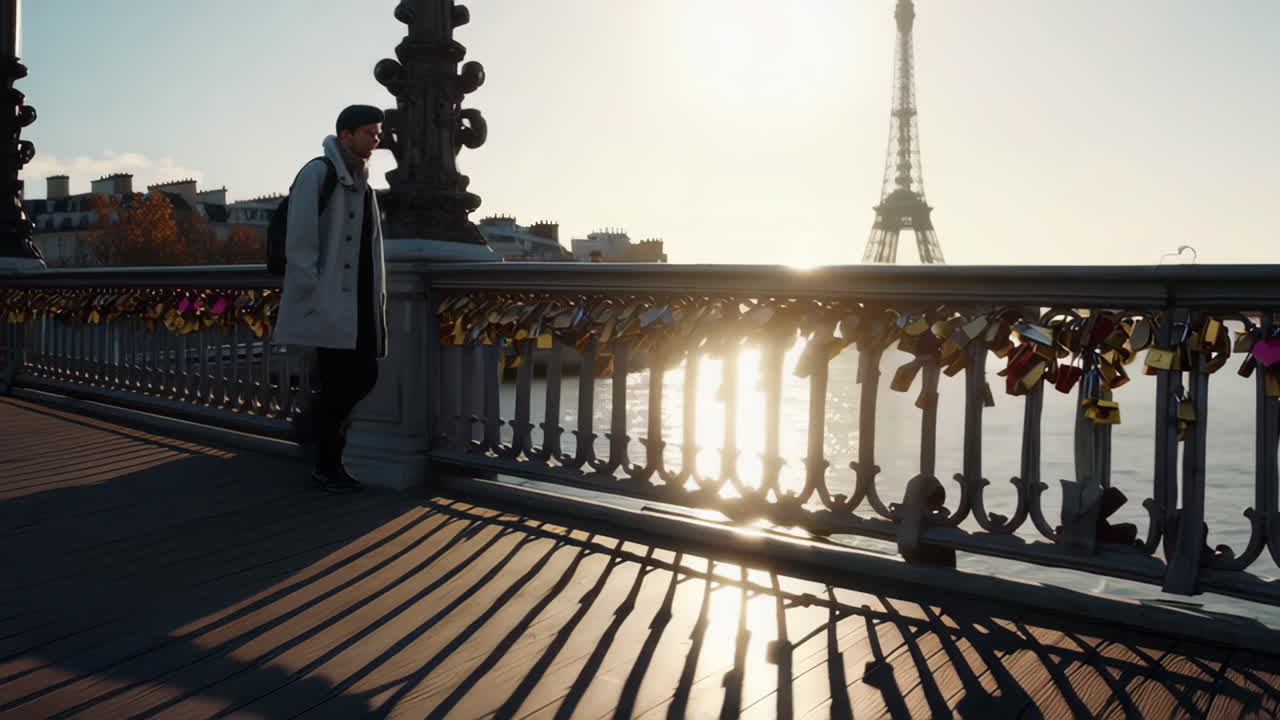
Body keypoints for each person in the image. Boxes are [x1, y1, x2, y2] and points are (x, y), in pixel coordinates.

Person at [274, 105, 389, 494]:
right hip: (330, 302)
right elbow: (301, 238)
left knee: (362, 376)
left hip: (358, 303)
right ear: (345, 135)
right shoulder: (318, 173)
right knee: (344, 380)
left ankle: (317, 439)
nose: (377, 139)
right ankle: (327, 463)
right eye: (369, 132)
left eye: (378, 132)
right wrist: (309, 294)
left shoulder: (363, 183)